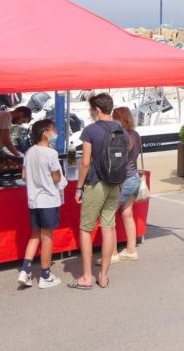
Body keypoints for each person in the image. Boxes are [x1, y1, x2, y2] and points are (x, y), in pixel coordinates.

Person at [69, 93, 126, 290]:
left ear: (98, 110)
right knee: (108, 227)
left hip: (96, 183)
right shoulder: (122, 130)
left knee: (86, 228)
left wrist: (78, 188)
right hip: (115, 184)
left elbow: (85, 162)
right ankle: (103, 276)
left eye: (91, 109)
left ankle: (86, 277)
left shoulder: (91, 130)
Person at [18, 119, 64, 289]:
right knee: (47, 237)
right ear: (45, 133)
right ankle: (45, 275)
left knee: (35, 234)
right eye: (53, 130)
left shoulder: (29, 152)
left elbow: (24, 175)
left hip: (33, 200)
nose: (55, 133)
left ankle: (26, 270)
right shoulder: (50, 153)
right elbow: (57, 177)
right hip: (48, 199)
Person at [97, 106, 142, 265]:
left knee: (108, 216)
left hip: (123, 180)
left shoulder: (119, 135)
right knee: (127, 213)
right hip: (135, 177)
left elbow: (118, 162)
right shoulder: (135, 134)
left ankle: (113, 252)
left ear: (118, 119)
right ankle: (131, 249)